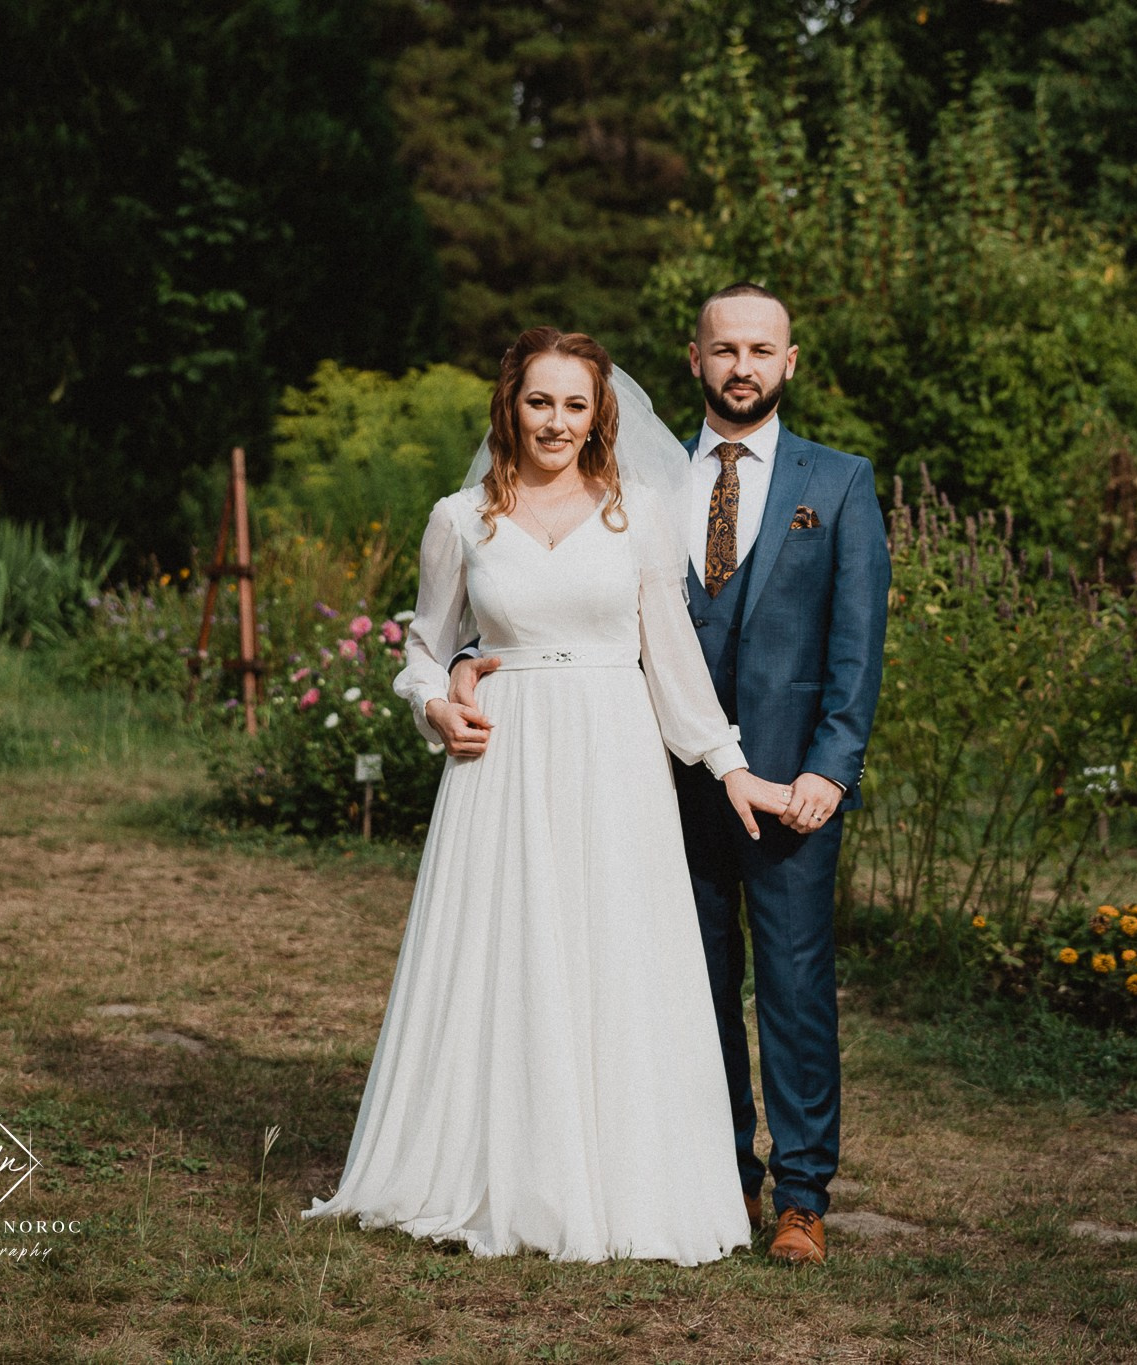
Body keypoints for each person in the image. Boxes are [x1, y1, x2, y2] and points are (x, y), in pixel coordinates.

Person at [299, 327, 792, 1264]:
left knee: (612, 953)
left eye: (575, 403)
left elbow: (670, 657)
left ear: (599, 413)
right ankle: (497, 1163)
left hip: (615, 757)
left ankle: (620, 1176)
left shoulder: (640, 514)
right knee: (507, 953)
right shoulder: (459, 519)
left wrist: (728, 762)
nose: (556, 421)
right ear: (510, 407)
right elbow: (425, 647)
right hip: (503, 762)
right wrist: (436, 706)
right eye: (539, 401)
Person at [449, 284, 891, 1264]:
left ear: (789, 362)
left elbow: (857, 644)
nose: (742, 366)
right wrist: (466, 665)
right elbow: (545, 597)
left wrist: (830, 768)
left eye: (761, 350)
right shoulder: (636, 482)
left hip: (785, 783)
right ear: (694, 359)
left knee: (793, 985)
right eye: (724, 348)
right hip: (645, 777)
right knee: (683, 989)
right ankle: (716, 1173)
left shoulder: (839, 482)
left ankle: (802, 1195)